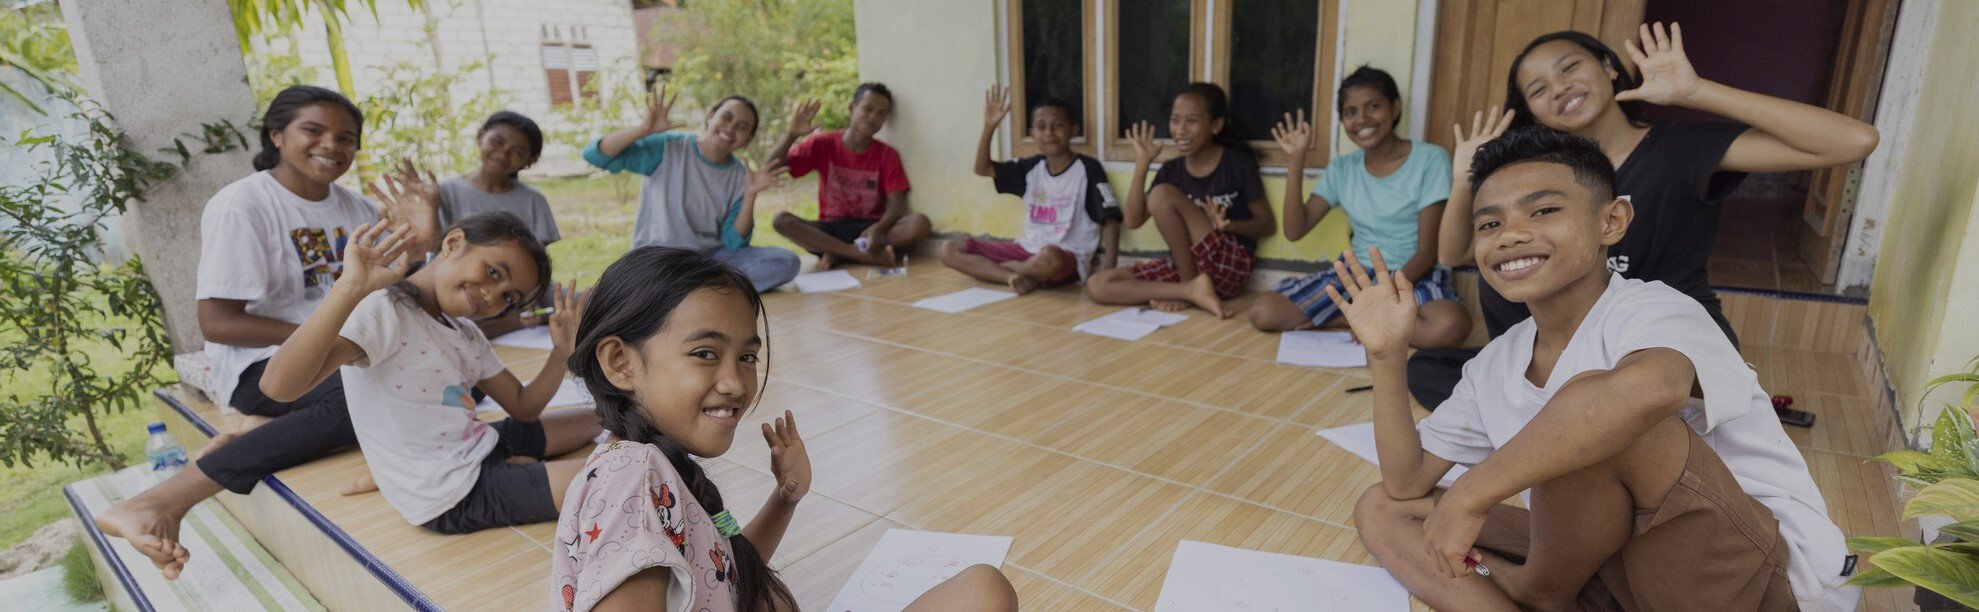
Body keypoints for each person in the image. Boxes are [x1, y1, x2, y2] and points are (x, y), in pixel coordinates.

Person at [1342, 127, 1854, 611]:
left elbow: (1651, 391)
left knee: (1599, 408)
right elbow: (1407, 481)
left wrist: (1472, 494)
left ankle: (1539, 592)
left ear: (1613, 221)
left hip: (1754, 577)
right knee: (1385, 507)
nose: (1512, 235)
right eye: (1490, 223)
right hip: (1621, 567)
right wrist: (1388, 356)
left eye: (1543, 211)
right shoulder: (1497, 361)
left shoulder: (1656, 308)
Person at [1409, 23, 1880, 409]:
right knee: (1429, 367)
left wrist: (1696, 92)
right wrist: (1462, 179)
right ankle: (1557, 415)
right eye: (1538, 89)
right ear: (1531, 111)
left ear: (1609, 67)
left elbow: (1854, 142)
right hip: (1567, 343)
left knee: (1655, 390)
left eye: (1570, 67)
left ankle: (1547, 419)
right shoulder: (1535, 175)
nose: (1560, 88)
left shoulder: (1680, 148)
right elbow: (1455, 252)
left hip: (1660, 345)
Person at [93, 85, 438, 579]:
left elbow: (403, 291)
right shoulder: (243, 205)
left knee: (437, 365)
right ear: (276, 135)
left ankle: (257, 430)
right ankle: (162, 501)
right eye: (313, 131)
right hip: (264, 367)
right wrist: (321, 332)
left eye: (346, 138)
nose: (332, 147)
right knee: (370, 397)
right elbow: (218, 321)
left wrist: (423, 243)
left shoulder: (356, 208)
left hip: (340, 356)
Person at [553, 247, 1019, 611]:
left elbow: (727, 572)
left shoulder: (656, 463)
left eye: (748, 357)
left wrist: (785, 497)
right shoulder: (629, 477)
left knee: (983, 589)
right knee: (983, 591)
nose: (736, 382)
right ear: (620, 363)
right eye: (705, 353)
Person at [257, 213, 603, 533]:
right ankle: (521, 470)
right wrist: (349, 287)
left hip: (477, 445)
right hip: (452, 492)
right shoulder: (383, 311)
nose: (491, 294)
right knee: (618, 480)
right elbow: (278, 386)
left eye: (508, 297)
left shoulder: (467, 333)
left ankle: (522, 464)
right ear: (453, 244)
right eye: (494, 272)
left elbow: (523, 407)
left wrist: (560, 353)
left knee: (598, 418)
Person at [1247, 66, 1469, 348]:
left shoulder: (1430, 159)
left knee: (1450, 326)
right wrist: (1296, 159)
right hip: (1357, 272)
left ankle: (1355, 317)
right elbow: (1295, 229)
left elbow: (1428, 251)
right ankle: (1359, 317)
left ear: (1395, 107)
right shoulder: (1342, 168)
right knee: (1263, 312)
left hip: (1414, 273)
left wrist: (1382, 297)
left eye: (1373, 106)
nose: (1362, 119)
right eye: (1350, 112)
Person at [583, 83, 801, 292]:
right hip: (657, 259)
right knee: (644, 281)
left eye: (742, 127)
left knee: (786, 262)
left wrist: (750, 195)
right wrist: (643, 129)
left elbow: (734, 243)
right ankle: (696, 290)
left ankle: (682, 291)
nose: (731, 128)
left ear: (748, 138)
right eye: (726, 117)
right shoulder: (670, 147)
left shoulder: (741, 175)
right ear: (710, 115)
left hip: (706, 261)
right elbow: (595, 155)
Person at [1084, 82, 1273, 318]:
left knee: (1162, 194)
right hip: (1188, 265)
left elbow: (1267, 223)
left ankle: (1191, 287)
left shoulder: (1236, 165)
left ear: (1216, 125)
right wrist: (1143, 162)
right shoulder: (1171, 170)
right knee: (1098, 284)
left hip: (1229, 266)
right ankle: (1189, 290)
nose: (1180, 129)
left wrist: (1229, 225)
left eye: (1191, 121)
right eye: (1175, 120)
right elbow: (1132, 220)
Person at [942, 85, 1122, 293]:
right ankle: (1012, 277)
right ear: (1032, 133)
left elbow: (1111, 220)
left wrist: (1108, 268)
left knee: (1049, 258)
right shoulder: (1030, 169)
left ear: (1073, 130)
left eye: (1057, 126)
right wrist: (989, 126)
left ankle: (999, 272)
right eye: (1041, 126)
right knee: (950, 249)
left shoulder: (1088, 169)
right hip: (1026, 250)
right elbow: (982, 168)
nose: (1049, 133)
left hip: (1064, 257)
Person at [768, 83, 933, 269]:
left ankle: (838, 253)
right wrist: (791, 134)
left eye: (881, 113)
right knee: (781, 220)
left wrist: (878, 228)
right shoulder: (822, 144)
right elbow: (771, 167)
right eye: (868, 108)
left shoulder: (887, 155)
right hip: (830, 229)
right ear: (852, 108)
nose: (873, 117)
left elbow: (897, 205)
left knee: (920, 223)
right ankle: (859, 254)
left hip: (869, 231)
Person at [438, 110, 561, 337]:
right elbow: (436, 255)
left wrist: (529, 301)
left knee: (584, 301)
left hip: (517, 296)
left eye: (517, 151)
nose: (503, 154)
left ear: (529, 161)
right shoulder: (446, 192)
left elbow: (537, 262)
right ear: (480, 136)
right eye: (497, 142)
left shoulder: (533, 200)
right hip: (467, 297)